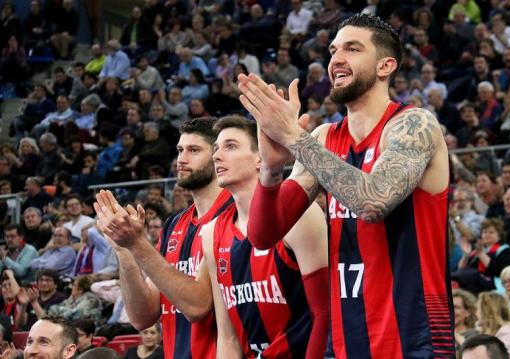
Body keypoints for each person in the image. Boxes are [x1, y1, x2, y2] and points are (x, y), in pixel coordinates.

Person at [238, 13, 455, 356]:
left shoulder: (414, 124)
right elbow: (263, 235)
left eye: (352, 49)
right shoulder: (324, 138)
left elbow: (373, 201)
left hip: (413, 341)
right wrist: (271, 168)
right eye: (334, 50)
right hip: (343, 343)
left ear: (385, 66)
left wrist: (294, 138)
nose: (336, 59)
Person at [94, 117, 233, 359]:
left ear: (218, 156)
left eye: (194, 150)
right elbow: (142, 317)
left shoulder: (234, 213)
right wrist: (124, 250)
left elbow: (198, 306)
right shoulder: (174, 224)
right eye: (180, 150)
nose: (182, 159)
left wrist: (138, 244)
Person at [193, 116, 329, 357]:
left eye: (231, 146)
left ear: (260, 157)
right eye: (215, 149)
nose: (216, 156)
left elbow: (325, 313)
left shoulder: (300, 215)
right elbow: (228, 336)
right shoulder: (211, 233)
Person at [453, 218, 510, 294]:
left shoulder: (504, 250)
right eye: (484, 232)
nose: (486, 234)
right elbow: (460, 270)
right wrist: (466, 255)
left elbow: (499, 271)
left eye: (491, 232)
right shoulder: (477, 250)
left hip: (492, 285)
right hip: (472, 283)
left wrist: (480, 253)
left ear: (500, 235)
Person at [476, 291, 510, 358]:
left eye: (478, 309)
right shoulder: (486, 331)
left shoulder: (509, 331)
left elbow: (496, 357)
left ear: (487, 311)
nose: (476, 313)